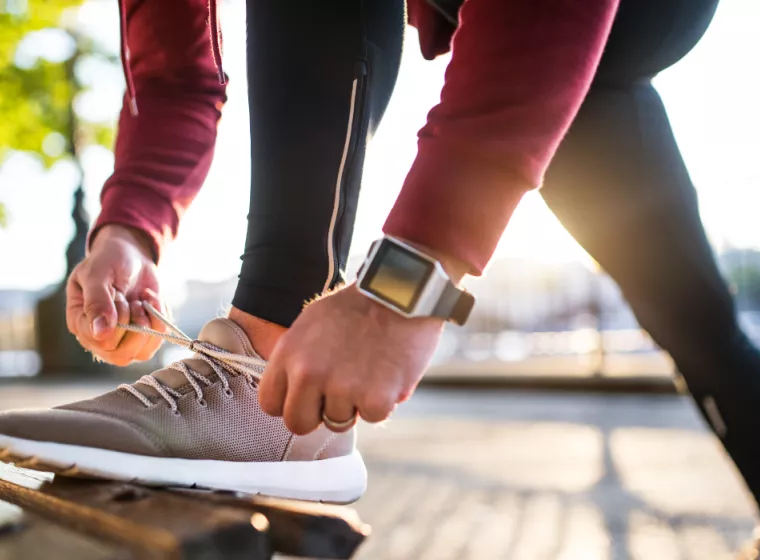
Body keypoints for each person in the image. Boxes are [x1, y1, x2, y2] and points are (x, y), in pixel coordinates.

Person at [1, 0, 758, 520]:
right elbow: (172, 72)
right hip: (553, 67)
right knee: (698, 327)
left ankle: (262, 354)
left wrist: (409, 283)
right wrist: (128, 229)